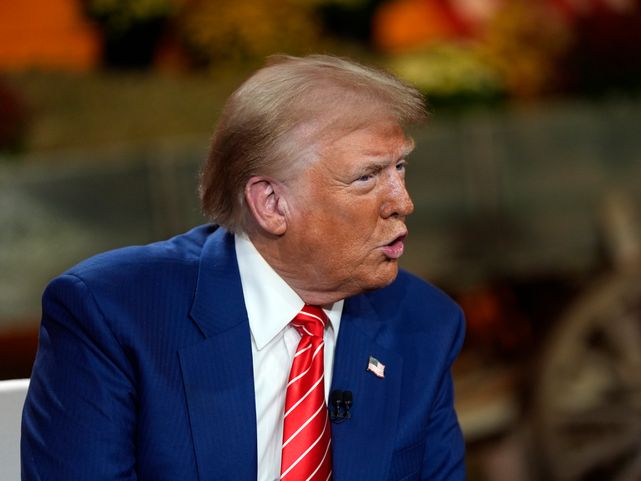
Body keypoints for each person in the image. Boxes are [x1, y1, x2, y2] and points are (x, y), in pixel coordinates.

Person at [21, 54, 466, 481]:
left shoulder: (424, 324)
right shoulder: (113, 315)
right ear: (272, 204)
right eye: (367, 177)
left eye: (400, 166)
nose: (403, 202)